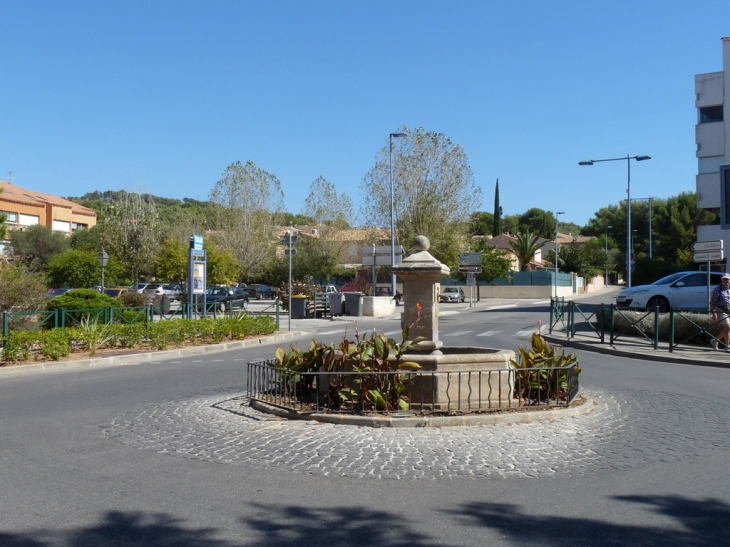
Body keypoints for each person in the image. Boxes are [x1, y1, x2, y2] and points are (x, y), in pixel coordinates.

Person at [710, 273, 730, 351]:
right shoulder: (718, 289)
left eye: (727, 279)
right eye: (724, 279)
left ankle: (726, 346)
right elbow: (713, 301)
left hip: (729, 310)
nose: (726, 281)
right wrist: (714, 312)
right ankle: (716, 340)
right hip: (720, 309)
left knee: (728, 329)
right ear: (722, 280)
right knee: (728, 327)